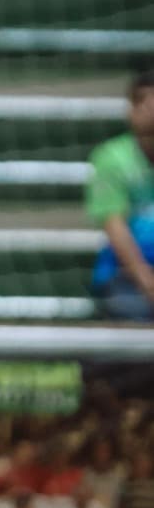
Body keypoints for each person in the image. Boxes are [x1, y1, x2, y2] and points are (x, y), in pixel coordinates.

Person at [86, 69, 154, 322]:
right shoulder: (111, 157)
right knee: (132, 311)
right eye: (140, 100)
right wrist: (149, 284)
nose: (149, 108)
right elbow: (115, 228)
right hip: (126, 276)